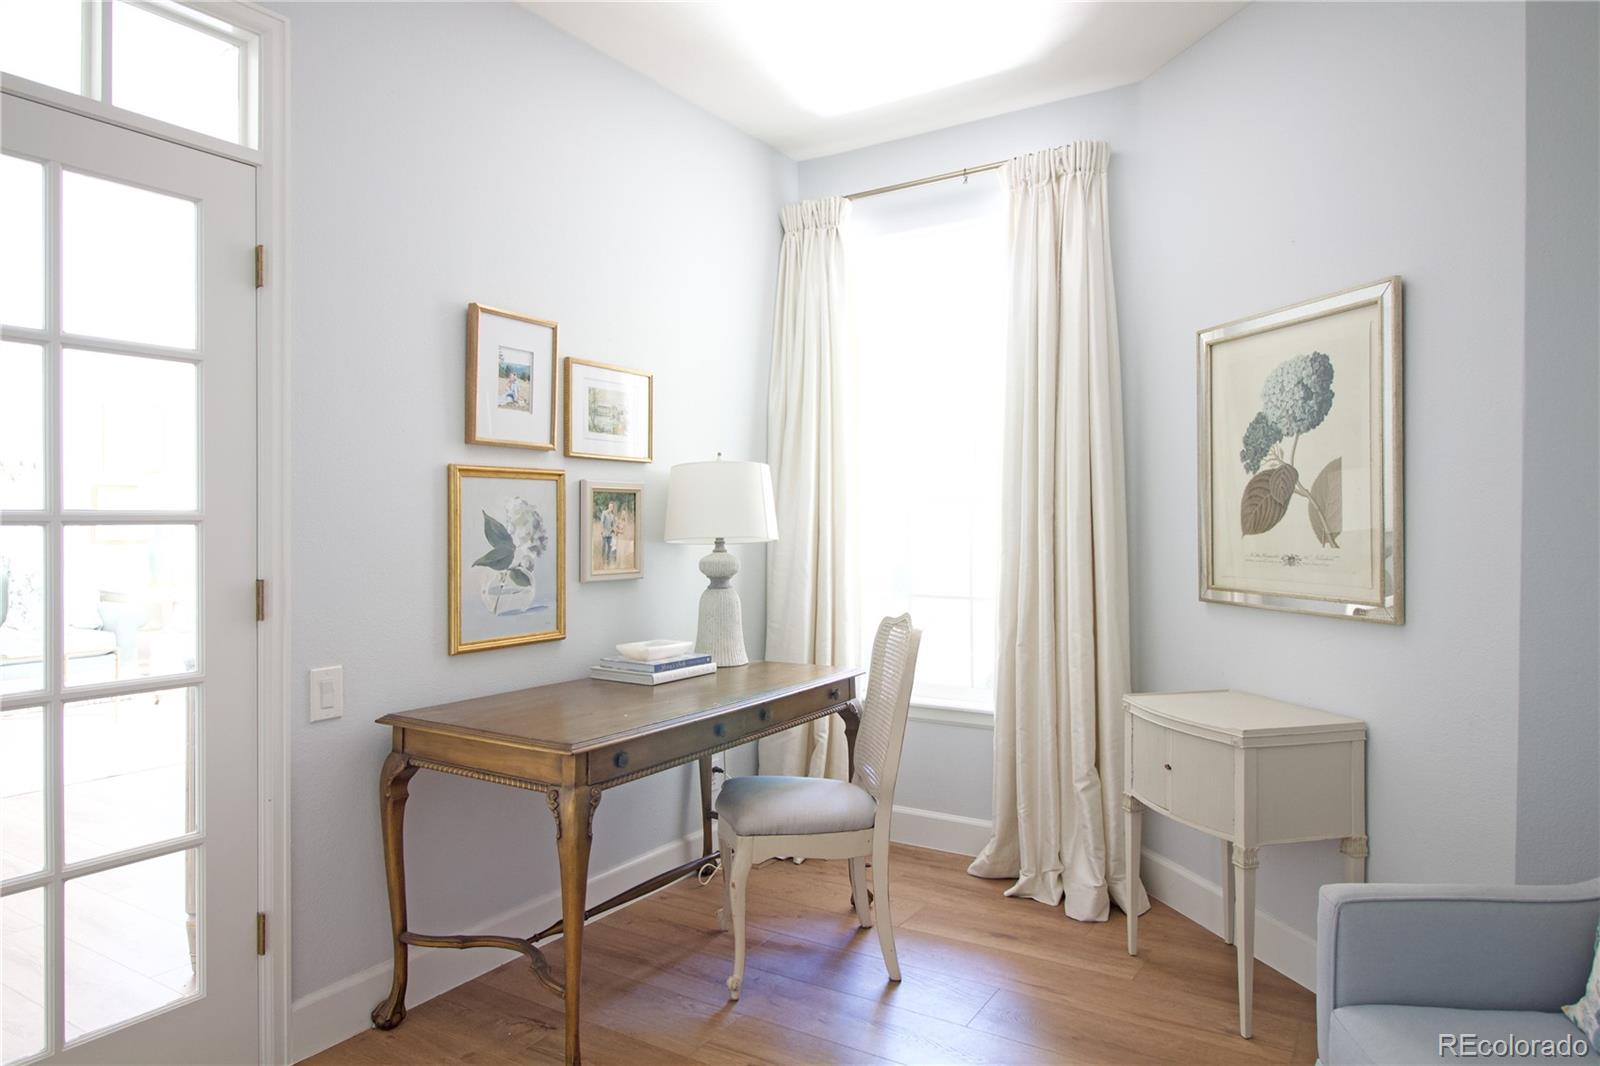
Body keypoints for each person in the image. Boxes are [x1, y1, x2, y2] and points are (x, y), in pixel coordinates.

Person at [600, 501, 618, 567]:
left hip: (610, 534)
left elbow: (612, 525)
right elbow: (602, 522)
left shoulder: (612, 516)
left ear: (613, 508)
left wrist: (614, 530)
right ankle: (602, 561)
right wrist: (602, 530)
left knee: (609, 548)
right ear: (608, 506)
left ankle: (608, 561)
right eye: (610, 506)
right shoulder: (604, 513)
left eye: (612, 507)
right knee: (604, 547)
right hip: (604, 533)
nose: (610, 507)